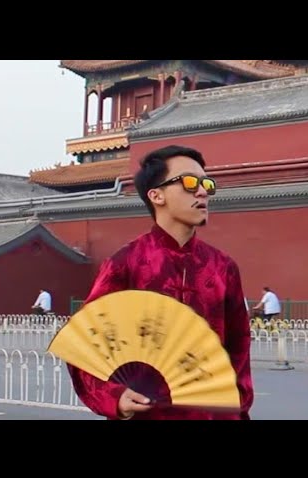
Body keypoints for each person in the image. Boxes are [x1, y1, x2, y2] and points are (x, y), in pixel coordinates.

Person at [67, 145, 253, 421]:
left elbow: (238, 346)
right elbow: (86, 340)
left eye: (206, 184)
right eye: (190, 182)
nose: (202, 192)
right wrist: (114, 396)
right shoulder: (126, 263)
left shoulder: (223, 267)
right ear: (156, 195)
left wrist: (236, 406)